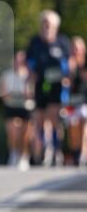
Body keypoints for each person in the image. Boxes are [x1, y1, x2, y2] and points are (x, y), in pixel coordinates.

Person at [26, 10, 71, 166]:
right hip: (40, 85)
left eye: (49, 24)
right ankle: (41, 150)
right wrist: (30, 83)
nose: (46, 27)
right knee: (39, 118)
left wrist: (67, 78)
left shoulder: (62, 42)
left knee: (54, 118)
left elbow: (69, 63)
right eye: (43, 23)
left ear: (55, 26)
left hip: (56, 86)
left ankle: (55, 149)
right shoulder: (35, 43)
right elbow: (30, 64)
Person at [0, 50, 35, 170]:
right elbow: (3, 93)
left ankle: (24, 156)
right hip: (12, 107)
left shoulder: (30, 75)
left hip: (26, 107)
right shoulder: (7, 75)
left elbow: (32, 93)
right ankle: (14, 153)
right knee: (13, 130)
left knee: (25, 134)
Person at [64, 36, 87, 166]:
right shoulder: (68, 64)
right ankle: (76, 153)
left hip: (84, 102)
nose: (76, 51)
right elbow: (66, 83)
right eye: (74, 49)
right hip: (71, 102)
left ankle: (83, 154)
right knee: (73, 127)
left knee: (84, 123)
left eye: (78, 49)